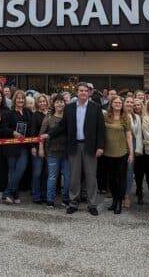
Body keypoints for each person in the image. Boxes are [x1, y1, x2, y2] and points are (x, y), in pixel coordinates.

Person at [41, 81, 105, 216]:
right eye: (80, 90)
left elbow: (101, 130)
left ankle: (92, 204)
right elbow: (62, 126)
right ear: (77, 92)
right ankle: (73, 203)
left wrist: (100, 147)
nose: (83, 93)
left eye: (85, 91)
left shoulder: (96, 107)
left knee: (91, 177)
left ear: (89, 93)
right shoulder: (69, 108)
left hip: (90, 147)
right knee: (74, 177)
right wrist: (49, 134)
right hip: (74, 146)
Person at [103, 95, 134, 214]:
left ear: (122, 105)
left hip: (122, 152)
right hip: (108, 152)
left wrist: (131, 153)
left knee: (120, 179)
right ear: (111, 104)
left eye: (119, 103)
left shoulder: (125, 117)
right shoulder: (106, 116)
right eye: (115, 102)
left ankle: (119, 202)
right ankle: (114, 201)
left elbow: (129, 135)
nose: (117, 104)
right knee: (111, 179)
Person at [1, 90, 33, 204]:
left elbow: (31, 128)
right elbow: (3, 129)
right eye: (18, 98)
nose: (20, 100)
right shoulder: (9, 113)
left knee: (20, 169)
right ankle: (14, 194)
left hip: (24, 146)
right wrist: (13, 132)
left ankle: (6, 193)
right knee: (12, 171)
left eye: (22, 98)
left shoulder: (28, 112)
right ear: (15, 100)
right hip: (11, 146)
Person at [39, 94, 70, 208]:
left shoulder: (68, 117)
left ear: (64, 103)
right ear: (54, 104)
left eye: (61, 101)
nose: (60, 104)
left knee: (68, 176)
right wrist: (41, 148)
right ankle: (50, 200)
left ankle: (65, 199)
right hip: (52, 152)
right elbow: (41, 134)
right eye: (57, 102)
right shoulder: (49, 117)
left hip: (66, 152)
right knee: (52, 177)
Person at [124, 96, 144, 208]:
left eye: (132, 102)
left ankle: (127, 196)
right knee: (119, 171)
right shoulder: (120, 115)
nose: (130, 104)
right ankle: (119, 194)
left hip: (133, 144)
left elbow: (139, 135)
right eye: (128, 102)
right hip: (120, 144)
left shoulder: (136, 116)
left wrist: (138, 150)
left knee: (129, 171)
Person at [30, 93, 49, 204]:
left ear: (47, 102)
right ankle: (36, 195)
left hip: (50, 147)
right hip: (37, 147)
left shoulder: (52, 114)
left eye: (44, 101)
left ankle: (44, 194)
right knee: (37, 172)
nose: (42, 103)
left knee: (47, 173)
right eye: (40, 101)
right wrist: (33, 146)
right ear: (37, 103)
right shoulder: (35, 115)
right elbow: (32, 131)